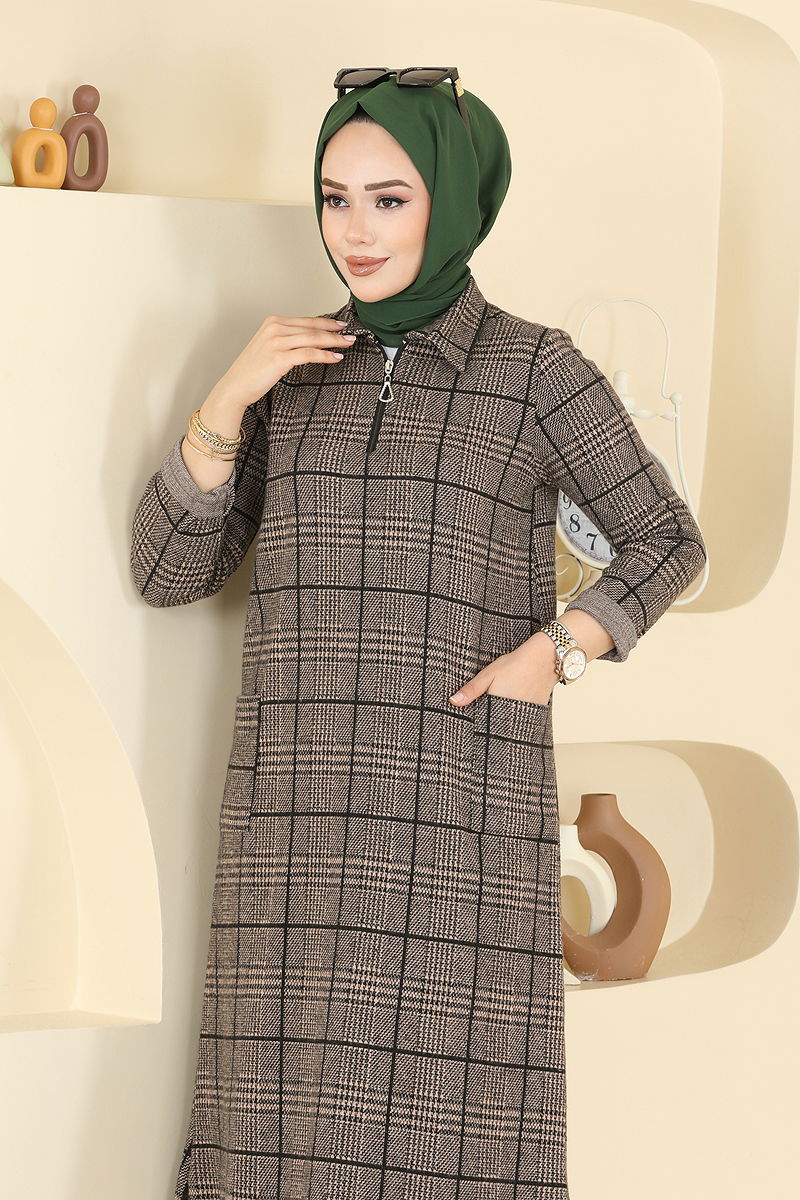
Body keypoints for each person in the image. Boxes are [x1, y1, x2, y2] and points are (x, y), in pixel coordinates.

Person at [130, 72, 707, 1200]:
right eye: (335, 198)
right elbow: (168, 570)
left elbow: (667, 539)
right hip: (290, 831)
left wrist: (558, 652)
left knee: (447, 1140)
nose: (356, 231)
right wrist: (229, 397)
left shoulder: (534, 370)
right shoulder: (294, 373)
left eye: (389, 200)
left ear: (451, 200)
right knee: (276, 1138)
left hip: (454, 813)